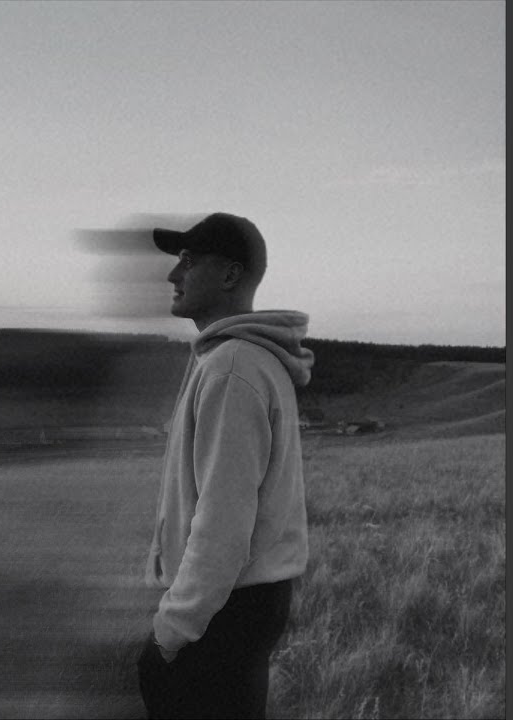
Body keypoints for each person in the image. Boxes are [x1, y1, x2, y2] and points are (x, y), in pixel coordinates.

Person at [137, 212, 315, 719]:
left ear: (231, 275)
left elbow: (223, 522)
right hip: (243, 602)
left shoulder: (233, 367)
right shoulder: (246, 361)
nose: (174, 275)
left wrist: (171, 631)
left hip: (222, 608)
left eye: (188, 262)